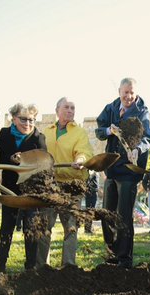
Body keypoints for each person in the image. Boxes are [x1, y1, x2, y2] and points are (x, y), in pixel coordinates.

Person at [95, 78, 150, 269]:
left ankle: (124, 259)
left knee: (124, 214)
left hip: (129, 170)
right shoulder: (110, 109)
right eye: (125, 92)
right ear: (119, 90)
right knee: (107, 214)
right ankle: (112, 253)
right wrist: (108, 130)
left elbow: (148, 138)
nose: (128, 96)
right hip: (111, 168)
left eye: (132, 92)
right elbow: (99, 131)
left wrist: (138, 149)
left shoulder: (142, 113)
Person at [0, 103, 47, 275]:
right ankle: (0, 266)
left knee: (31, 228)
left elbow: (44, 162)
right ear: (13, 118)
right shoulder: (4, 134)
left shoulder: (38, 137)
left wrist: (25, 160)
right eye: (23, 119)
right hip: (9, 189)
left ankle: (30, 268)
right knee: (6, 227)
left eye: (32, 120)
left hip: (31, 191)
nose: (28, 123)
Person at [40, 97, 94, 268]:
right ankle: (42, 265)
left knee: (70, 226)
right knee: (44, 224)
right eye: (67, 107)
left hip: (72, 185)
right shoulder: (46, 131)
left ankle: (68, 266)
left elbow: (85, 152)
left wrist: (80, 159)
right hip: (50, 184)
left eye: (73, 108)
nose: (70, 110)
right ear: (57, 110)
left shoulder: (79, 132)